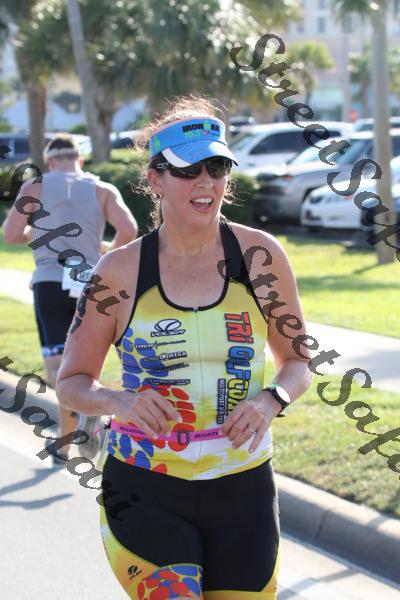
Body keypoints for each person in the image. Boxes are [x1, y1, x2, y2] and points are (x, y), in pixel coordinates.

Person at [56, 97, 312, 599]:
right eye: (188, 170)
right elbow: (71, 383)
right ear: (155, 180)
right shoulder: (118, 272)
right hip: (145, 487)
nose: (205, 183)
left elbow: (299, 361)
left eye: (216, 168)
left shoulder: (260, 257)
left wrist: (271, 400)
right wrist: (119, 401)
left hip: (242, 486)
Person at [3, 133, 138, 464]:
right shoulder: (102, 189)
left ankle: (84, 420)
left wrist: (36, 233)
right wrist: (104, 253)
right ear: (80, 160)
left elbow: (11, 234)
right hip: (89, 282)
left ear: (50, 162)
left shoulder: (35, 187)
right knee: (83, 364)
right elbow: (129, 230)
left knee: (59, 368)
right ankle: (66, 443)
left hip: (49, 281)